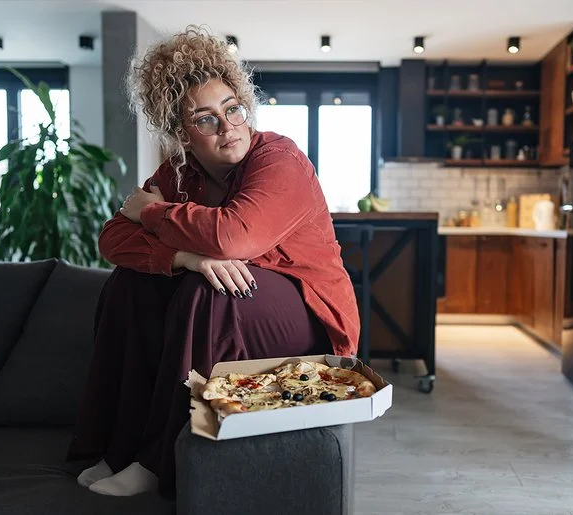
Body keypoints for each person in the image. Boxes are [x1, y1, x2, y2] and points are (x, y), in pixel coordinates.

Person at [65, 25, 359, 498]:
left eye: (232, 109)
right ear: (181, 133)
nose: (227, 127)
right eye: (205, 119)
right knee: (129, 283)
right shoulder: (178, 173)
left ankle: (158, 462)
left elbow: (234, 235)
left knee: (212, 292)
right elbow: (113, 237)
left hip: (310, 315)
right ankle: (118, 448)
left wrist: (153, 213)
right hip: (244, 299)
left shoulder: (280, 158)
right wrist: (185, 256)